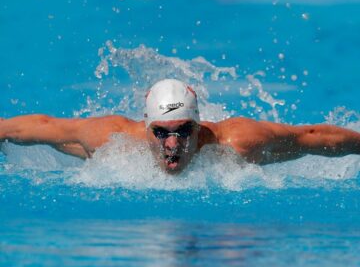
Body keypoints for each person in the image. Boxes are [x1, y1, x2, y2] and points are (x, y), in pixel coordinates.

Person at [0, 79, 359, 173]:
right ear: (145, 126)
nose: (173, 145)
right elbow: (45, 126)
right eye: (161, 132)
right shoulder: (110, 141)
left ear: (200, 124)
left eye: (184, 130)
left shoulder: (237, 142)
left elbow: (311, 137)